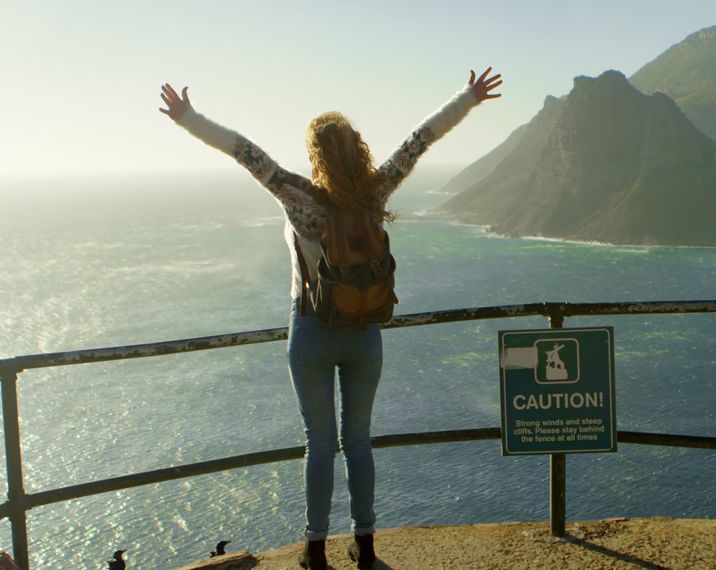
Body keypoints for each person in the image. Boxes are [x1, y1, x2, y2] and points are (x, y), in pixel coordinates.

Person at [159, 68, 503, 570]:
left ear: (317, 155)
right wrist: (467, 99)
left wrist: (188, 118)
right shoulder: (374, 193)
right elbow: (418, 141)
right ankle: (365, 546)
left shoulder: (297, 196)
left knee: (319, 444)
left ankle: (314, 550)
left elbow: (244, 150)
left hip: (312, 333)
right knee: (358, 440)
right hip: (365, 334)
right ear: (356, 149)